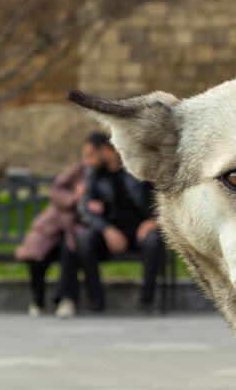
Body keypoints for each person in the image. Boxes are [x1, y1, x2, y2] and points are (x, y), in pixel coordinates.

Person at [57, 132, 165, 316]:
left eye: (91, 154)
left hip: (138, 231)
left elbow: (162, 196)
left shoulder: (136, 167)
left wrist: (154, 221)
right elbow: (84, 208)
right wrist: (107, 230)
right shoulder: (92, 173)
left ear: (106, 150)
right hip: (108, 234)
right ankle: (97, 302)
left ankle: (146, 303)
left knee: (153, 239)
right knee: (84, 237)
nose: (88, 161)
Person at [13, 138, 91, 317]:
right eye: (85, 155)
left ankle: (66, 301)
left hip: (75, 229)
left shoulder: (101, 173)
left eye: (91, 155)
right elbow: (56, 190)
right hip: (53, 227)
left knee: (70, 251)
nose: (87, 159)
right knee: (36, 254)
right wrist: (74, 198)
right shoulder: (78, 169)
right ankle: (37, 301)